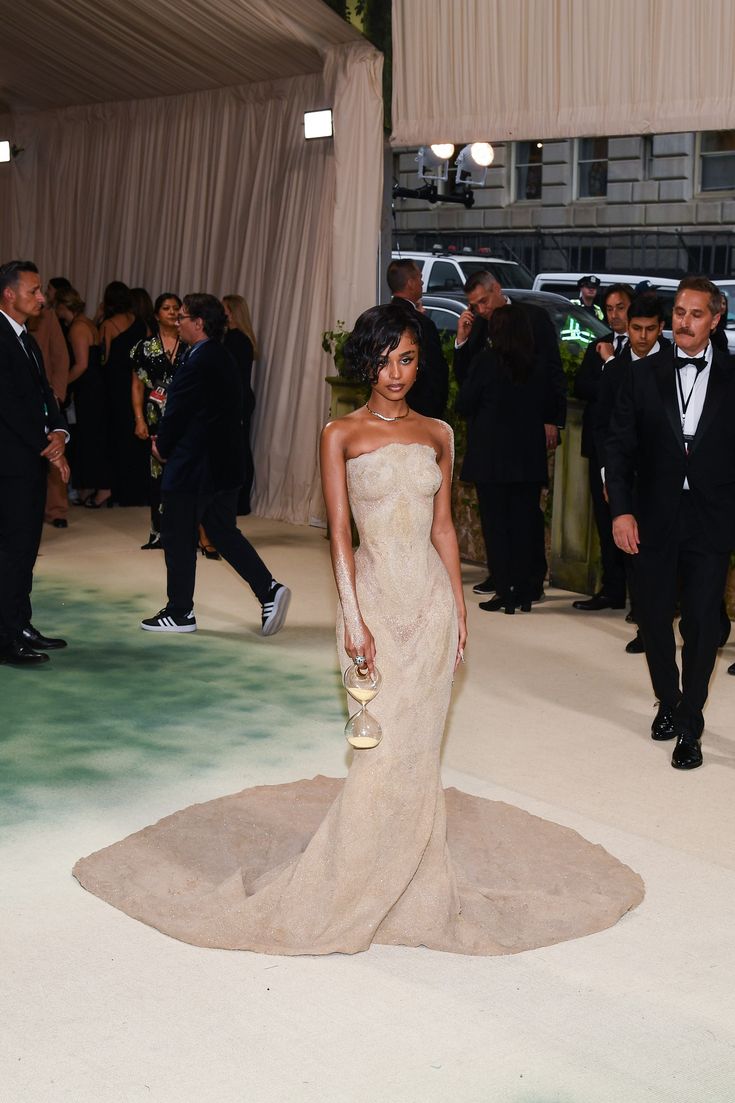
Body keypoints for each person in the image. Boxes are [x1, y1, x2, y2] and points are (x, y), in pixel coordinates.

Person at [74, 301, 643, 954]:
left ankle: (415, 877)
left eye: (405, 358)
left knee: (417, 748)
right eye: (381, 359)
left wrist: (457, 608)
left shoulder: (438, 433)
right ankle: (350, 879)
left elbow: (441, 529)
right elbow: (340, 534)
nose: (393, 372)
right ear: (364, 361)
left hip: (427, 601)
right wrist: (352, 613)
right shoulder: (339, 433)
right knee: (380, 750)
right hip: (373, 598)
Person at [606, 277, 735, 770]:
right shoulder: (641, 375)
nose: (683, 321)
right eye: (679, 311)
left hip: (711, 521)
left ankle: (690, 722)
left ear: (715, 320)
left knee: (702, 625)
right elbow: (618, 449)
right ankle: (668, 697)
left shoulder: (732, 376)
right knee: (654, 618)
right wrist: (620, 510)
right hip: (653, 517)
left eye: (695, 314)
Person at [140, 293, 290, 636]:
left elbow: (178, 413)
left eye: (183, 318)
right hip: (222, 465)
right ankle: (268, 590)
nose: (178, 323)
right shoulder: (218, 355)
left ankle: (180, 612)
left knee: (178, 534)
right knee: (222, 532)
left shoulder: (198, 360)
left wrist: (162, 446)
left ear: (199, 323)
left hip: (195, 467)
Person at [455, 270, 566, 600]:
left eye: (483, 301)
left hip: (526, 433)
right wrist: (462, 340)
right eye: (474, 305)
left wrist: (552, 419)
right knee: (498, 515)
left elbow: (552, 371)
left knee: (526, 514)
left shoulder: (534, 318)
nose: (480, 309)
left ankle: (530, 577)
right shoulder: (478, 327)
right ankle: (501, 576)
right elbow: (466, 379)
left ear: (497, 290)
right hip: (491, 437)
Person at [0, 260, 69, 666]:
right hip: (9, 463)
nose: (42, 297)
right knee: (11, 550)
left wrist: (60, 432)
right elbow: (7, 405)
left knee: (27, 546)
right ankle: (6, 637)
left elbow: (46, 394)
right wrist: (48, 445)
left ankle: (20, 623)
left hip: (29, 458)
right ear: (9, 294)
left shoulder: (26, 337)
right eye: (34, 290)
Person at [592, 294, 669, 653]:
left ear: (660, 328)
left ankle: (709, 621)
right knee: (637, 560)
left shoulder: (675, 363)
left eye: (649, 329)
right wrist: (611, 478)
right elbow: (605, 426)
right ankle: (648, 628)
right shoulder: (617, 367)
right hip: (629, 479)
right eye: (636, 328)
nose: (642, 336)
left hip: (669, 480)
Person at [572, 283, 634, 611]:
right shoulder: (599, 344)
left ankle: (638, 598)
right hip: (600, 446)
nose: (614, 315)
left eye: (620, 307)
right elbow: (582, 385)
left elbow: (628, 391)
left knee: (632, 518)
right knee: (604, 518)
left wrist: (610, 366)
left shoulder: (644, 347)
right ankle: (611, 589)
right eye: (609, 309)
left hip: (633, 451)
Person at [131, 293, 188, 550]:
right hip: (156, 417)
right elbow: (136, 386)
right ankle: (159, 532)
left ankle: (189, 532)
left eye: (177, 308)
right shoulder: (143, 348)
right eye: (166, 308)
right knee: (158, 476)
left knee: (187, 473)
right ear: (156, 315)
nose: (173, 312)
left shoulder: (190, 343)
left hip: (186, 416)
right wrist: (139, 420)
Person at [53, 288, 112, 510]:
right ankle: (92, 487)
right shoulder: (87, 323)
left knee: (91, 439)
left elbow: (82, 364)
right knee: (93, 438)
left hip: (89, 389)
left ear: (62, 307)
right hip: (95, 387)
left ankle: (101, 488)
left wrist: (62, 384)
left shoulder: (77, 327)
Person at [99, 281, 148, 507]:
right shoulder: (142, 324)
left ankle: (118, 491)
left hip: (116, 386)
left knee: (117, 438)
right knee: (137, 438)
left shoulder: (108, 325)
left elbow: (104, 358)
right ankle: (138, 490)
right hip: (138, 384)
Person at [386, 258, 449, 418]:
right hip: (418, 409)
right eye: (420, 278)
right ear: (411, 283)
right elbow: (436, 374)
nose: (422, 283)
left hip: (385, 407)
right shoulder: (421, 324)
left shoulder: (381, 319)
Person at [28, 304, 70, 528]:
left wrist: (58, 394)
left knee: (53, 450)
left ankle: (56, 510)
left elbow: (60, 356)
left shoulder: (47, 315)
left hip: (46, 398)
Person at [222, 293, 257, 516]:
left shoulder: (236, 339)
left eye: (223, 309)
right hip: (239, 398)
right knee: (239, 449)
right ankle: (238, 501)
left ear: (232, 312)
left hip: (238, 399)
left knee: (240, 450)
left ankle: (240, 501)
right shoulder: (238, 338)